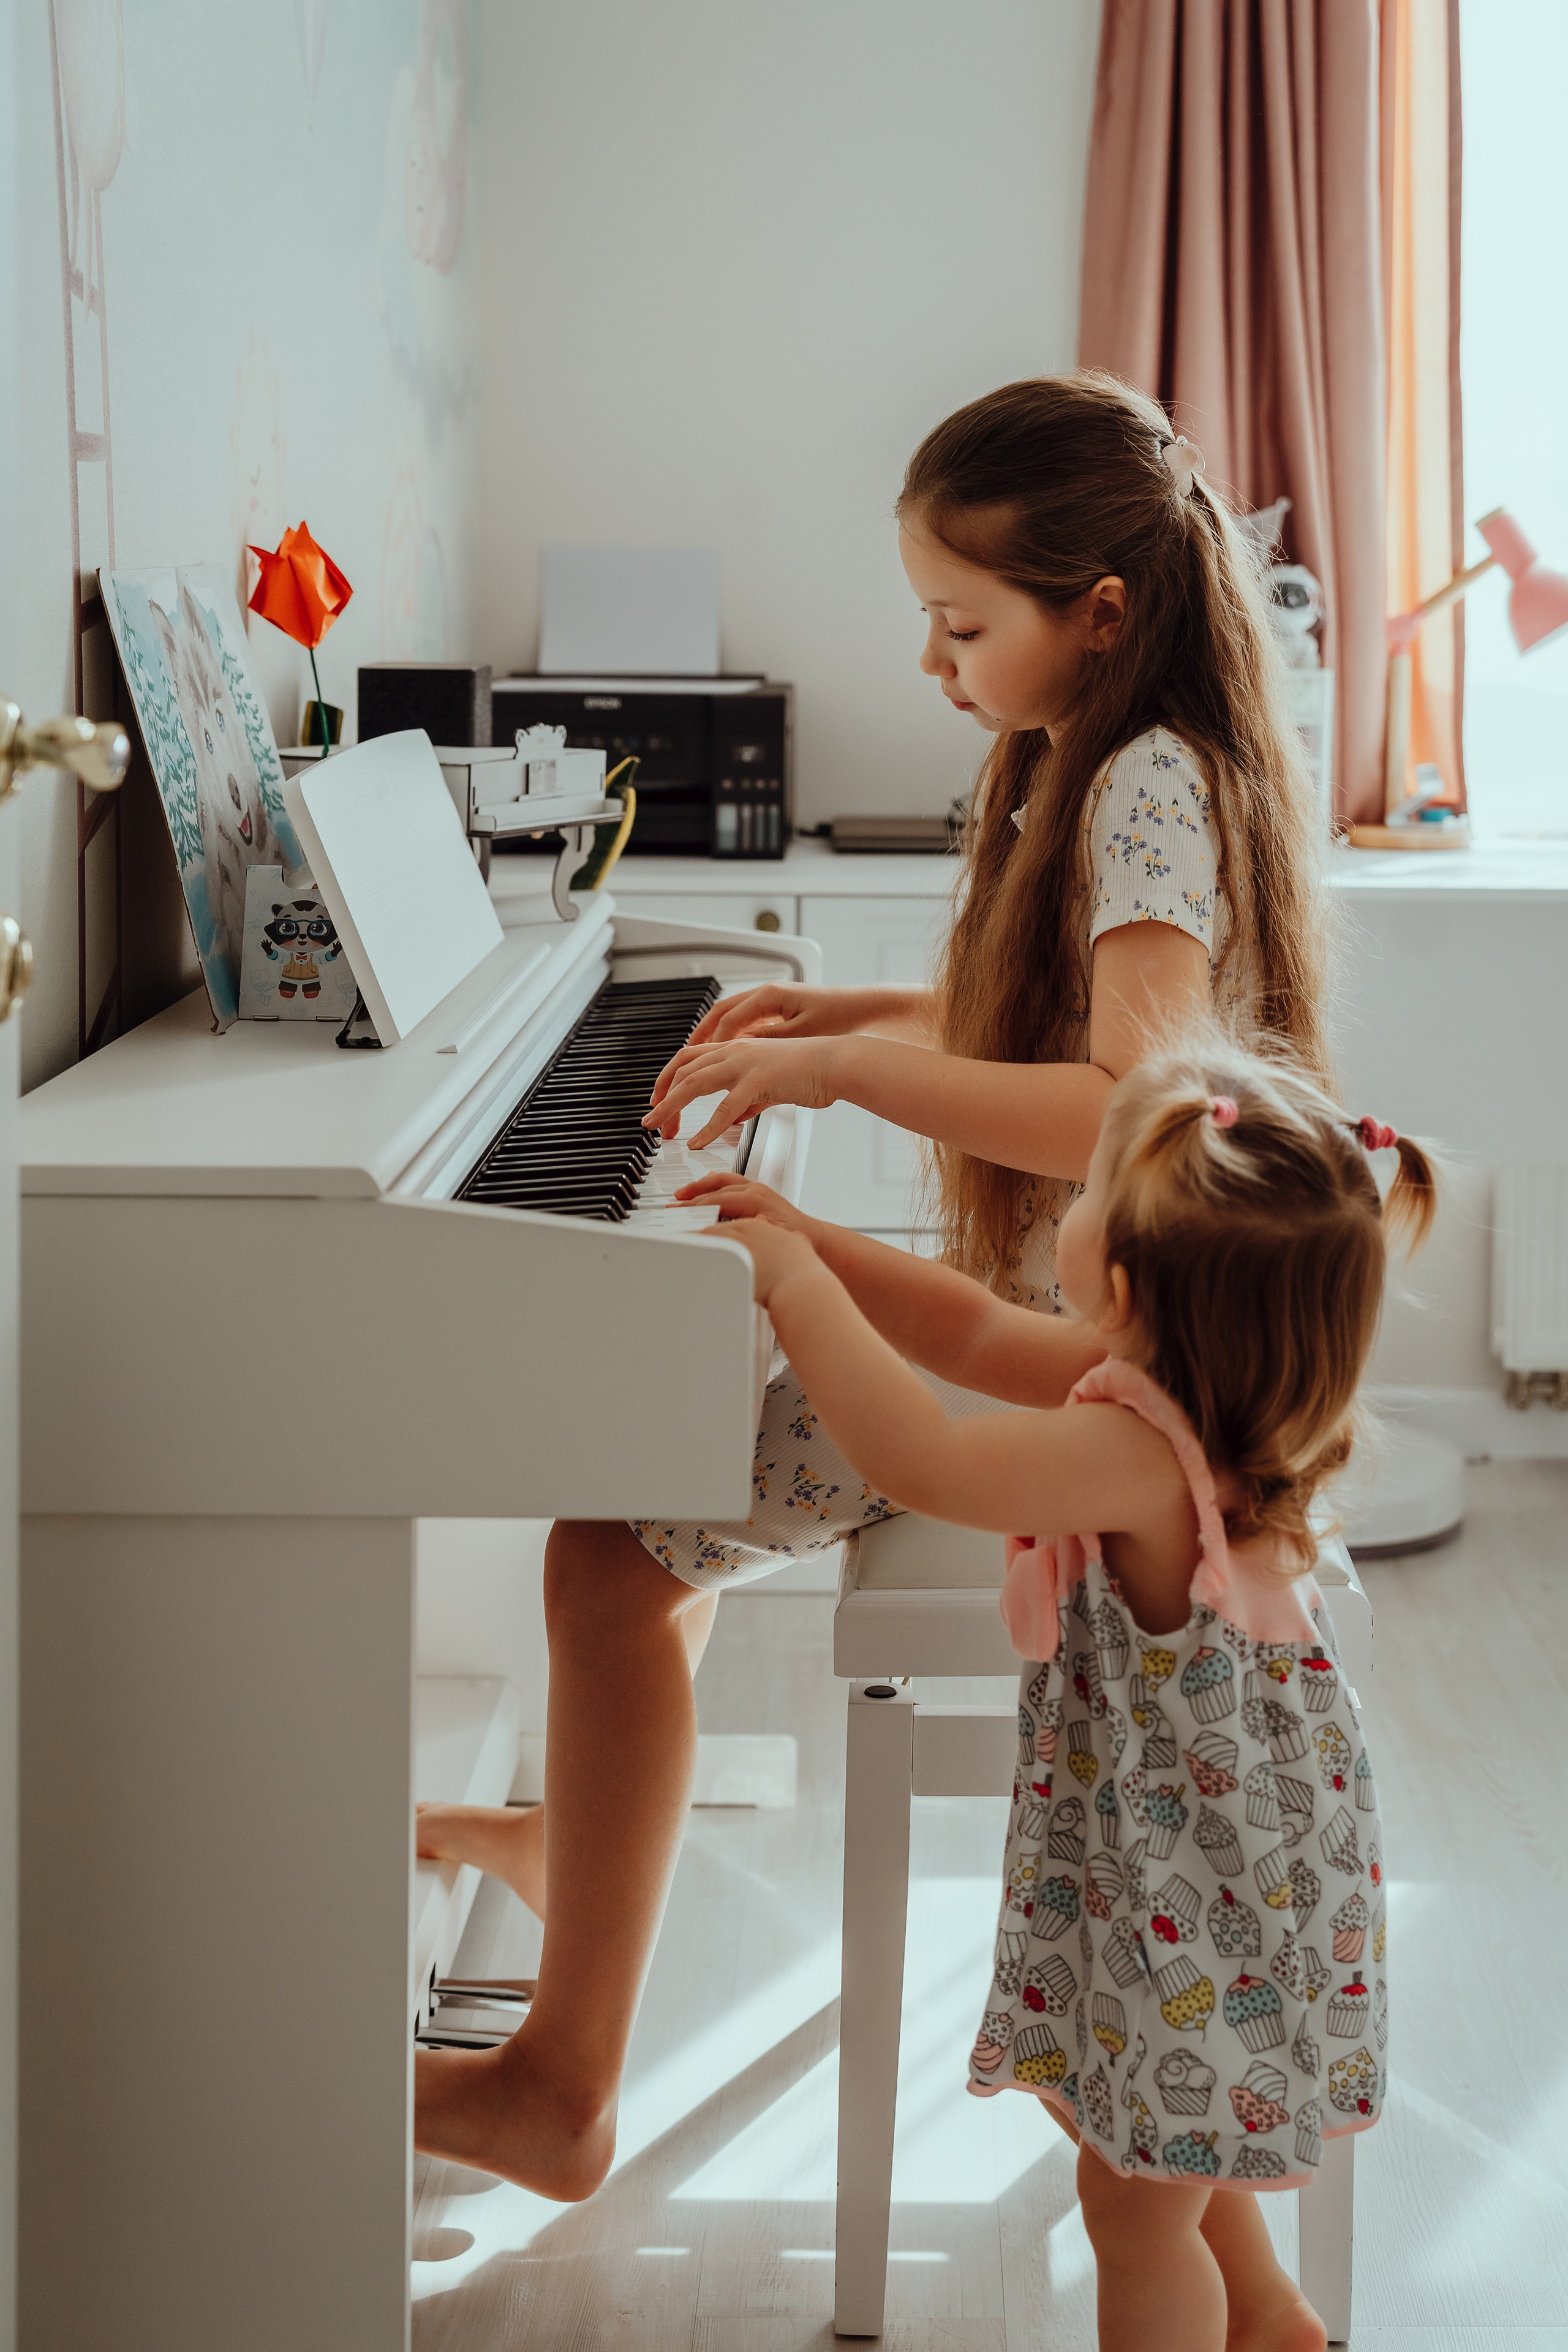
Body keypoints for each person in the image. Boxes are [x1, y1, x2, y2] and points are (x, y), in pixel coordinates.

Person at [413, 371, 1328, 2199]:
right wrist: (849, 1014)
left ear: (1100, 614)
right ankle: (578, 1840)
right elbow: (1056, 1018)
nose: (930, 660)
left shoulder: (1149, 787)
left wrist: (846, 1075)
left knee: (605, 1549)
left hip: (1092, 1370)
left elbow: (1119, 1105)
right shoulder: (1105, 750)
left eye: (959, 622)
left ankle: (560, 2086)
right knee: (655, 1461)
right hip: (1074, 1319)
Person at [701, 1036, 1433, 2352]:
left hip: (1203, 1887)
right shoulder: (1183, 1393)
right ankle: (1268, 2319)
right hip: (1196, 1860)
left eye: (1090, 1189)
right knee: (1129, 2123)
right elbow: (969, 1331)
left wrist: (799, 1295)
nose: (1068, 1200)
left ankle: (1237, 2317)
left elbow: (922, 1455)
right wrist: (807, 1238)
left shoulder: (1134, 1459)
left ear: (1131, 1279)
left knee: (1129, 2198)